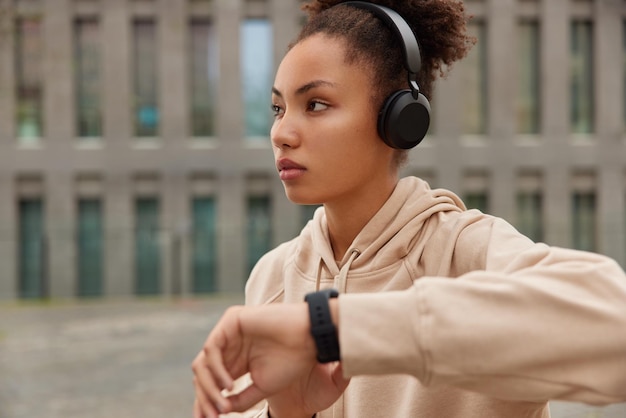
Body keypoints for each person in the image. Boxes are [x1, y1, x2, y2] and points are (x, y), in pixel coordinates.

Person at [191, 1, 626, 417]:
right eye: (277, 108)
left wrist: (330, 328)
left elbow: (614, 323)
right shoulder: (272, 277)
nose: (281, 133)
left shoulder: (467, 251)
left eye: (316, 104)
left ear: (399, 120)